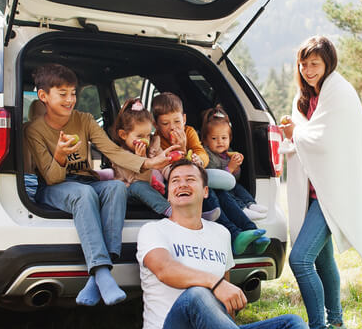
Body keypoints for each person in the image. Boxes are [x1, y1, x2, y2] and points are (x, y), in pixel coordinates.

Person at [137, 159, 308, 329]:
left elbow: (225, 298)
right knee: (197, 295)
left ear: (206, 192)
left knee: (294, 325)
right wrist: (213, 283)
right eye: (175, 181)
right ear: (168, 192)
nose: (182, 184)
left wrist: (221, 295)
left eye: (190, 179)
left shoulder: (220, 234)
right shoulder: (153, 231)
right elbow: (164, 270)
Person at [24, 64, 177, 306]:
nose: (70, 99)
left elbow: (113, 151)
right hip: (53, 187)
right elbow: (52, 178)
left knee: (116, 187)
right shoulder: (34, 130)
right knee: (83, 194)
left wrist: (149, 162)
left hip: (85, 180)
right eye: (62, 94)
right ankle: (102, 272)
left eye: (73, 93)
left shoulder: (84, 120)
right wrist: (61, 155)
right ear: (43, 96)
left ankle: (98, 276)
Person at [280, 36, 362, 329]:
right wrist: (295, 130)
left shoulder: (338, 92)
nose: (308, 69)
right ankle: (337, 322)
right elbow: (311, 136)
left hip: (332, 192)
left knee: (300, 259)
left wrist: (294, 134)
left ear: (328, 64)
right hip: (317, 192)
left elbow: (325, 141)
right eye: (304, 63)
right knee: (323, 259)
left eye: (315, 63)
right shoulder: (311, 97)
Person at [150, 92, 269, 255]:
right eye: (165, 123)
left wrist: (199, 160)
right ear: (155, 125)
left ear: (184, 119)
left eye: (177, 121)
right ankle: (235, 236)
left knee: (223, 193)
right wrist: (183, 150)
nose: (173, 127)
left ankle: (252, 231)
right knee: (209, 193)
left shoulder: (189, 132)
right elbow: (170, 172)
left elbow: (202, 153)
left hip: (197, 179)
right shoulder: (156, 141)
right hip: (181, 187)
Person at [201, 105, 268, 221]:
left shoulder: (229, 152)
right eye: (214, 138)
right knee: (227, 194)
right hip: (218, 187)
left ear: (230, 139)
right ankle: (243, 210)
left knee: (239, 187)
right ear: (205, 140)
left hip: (230, 184)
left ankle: (250, 204)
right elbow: (214, 178)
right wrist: (230, 168)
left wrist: (236, 169)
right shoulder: (207, 154)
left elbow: (235, 178)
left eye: (224, 138)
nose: (220, 142)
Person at [110, 99, 172, 217]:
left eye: (148, 135)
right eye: (140, 136)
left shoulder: (153, 145)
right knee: (139, 187)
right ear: (123, 135)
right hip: (130, 192)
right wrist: (142, 159)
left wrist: (176, 175)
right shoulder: (120, 156)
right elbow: (138, 182)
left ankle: (194, 213)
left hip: (154, 189)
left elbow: (165, 167)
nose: (145, 140)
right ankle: (172, 212)